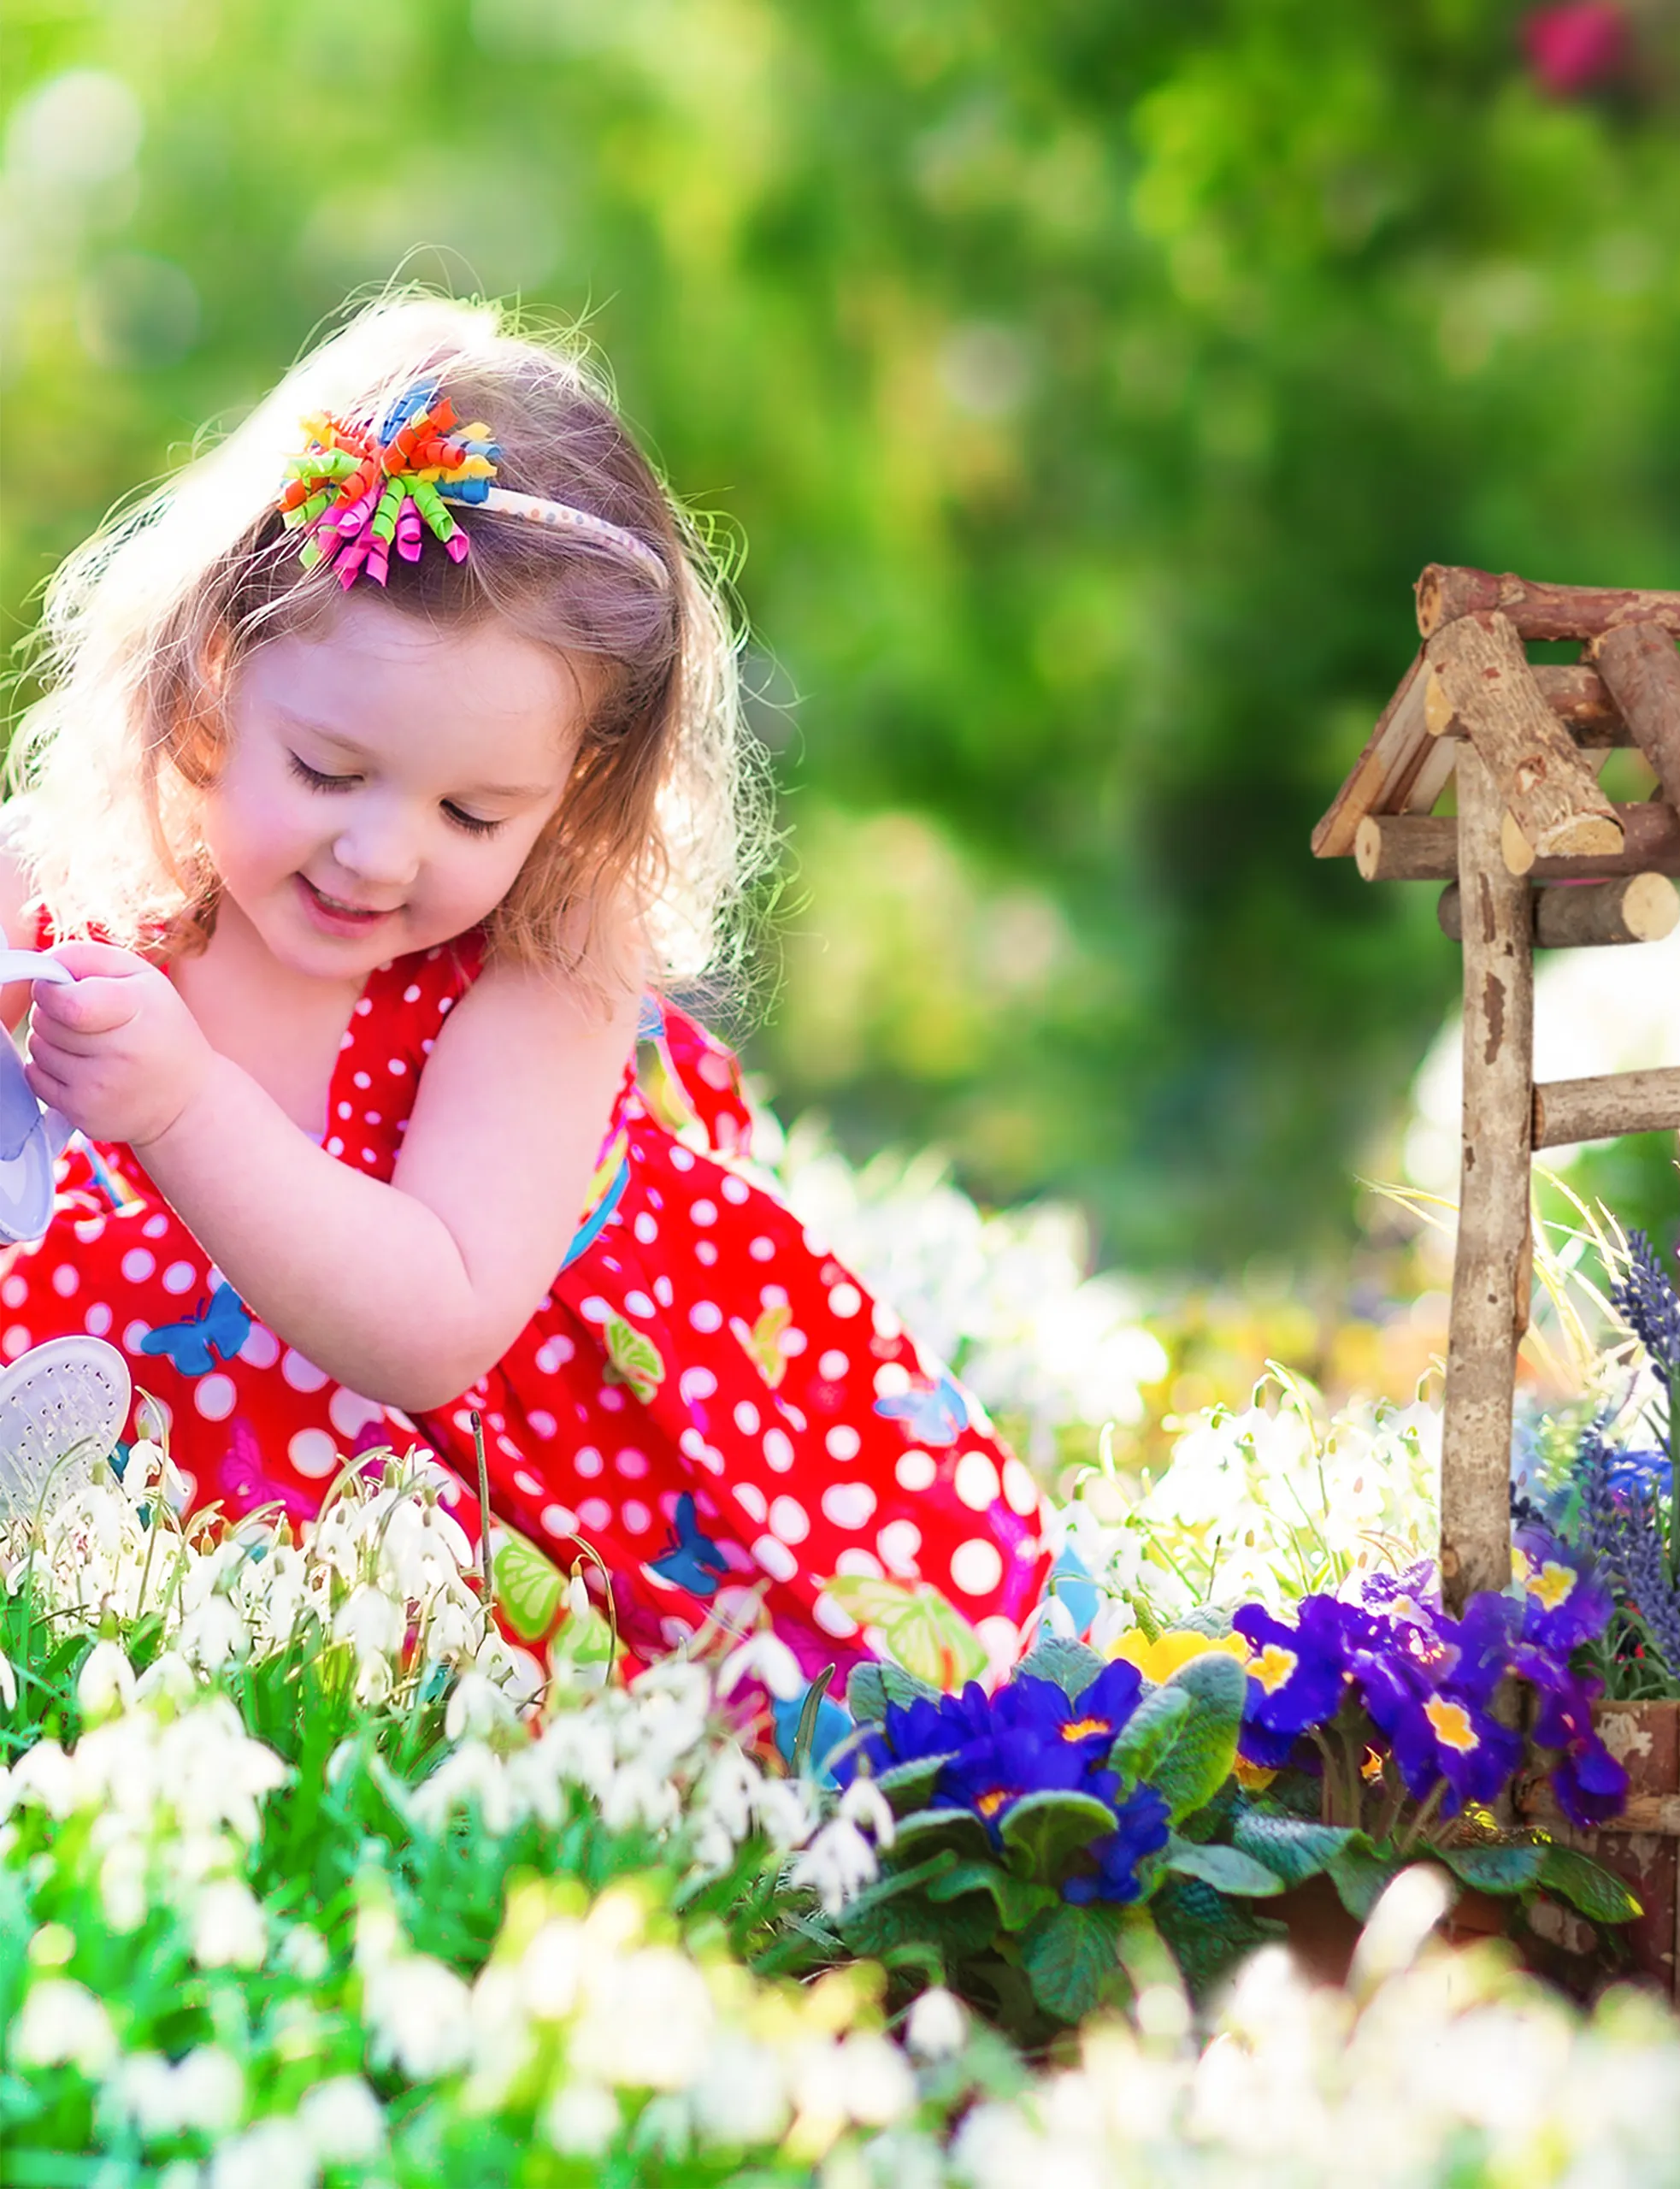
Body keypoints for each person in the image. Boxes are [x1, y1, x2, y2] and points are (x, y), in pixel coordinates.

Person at [0, 293, 1046, 1679]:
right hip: (154, 1544)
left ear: (578, 792)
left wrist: (184, 1105)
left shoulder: (544, 966)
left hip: (549, 1536)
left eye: (474, 814)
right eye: (327, 772)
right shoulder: (73, 879)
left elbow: (431, 1325)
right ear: (209, 682)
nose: (380, 853)